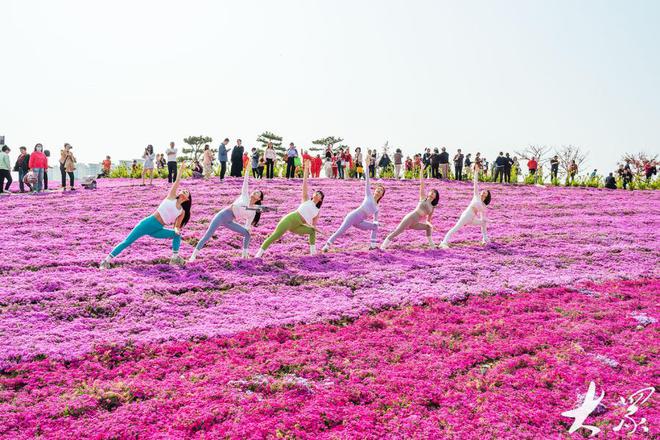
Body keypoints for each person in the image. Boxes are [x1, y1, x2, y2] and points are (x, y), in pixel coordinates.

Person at [100, 161, 191, 269]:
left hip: (158, 230)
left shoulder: (182, 212)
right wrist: (180, 171)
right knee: (127, 242)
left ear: (187, 198)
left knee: (177, 235)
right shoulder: (171, 196)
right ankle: (106, 261)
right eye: (183, 190)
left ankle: (175, 258)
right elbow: (177, 181)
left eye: (186, 191)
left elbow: (177, 225)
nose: (183, 190)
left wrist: (176, 229)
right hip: (148, 223)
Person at [190, 165, 265, 261]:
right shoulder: (245, 195)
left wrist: (248, 228)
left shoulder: (253, 212)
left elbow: (247, 225)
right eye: (255, 191)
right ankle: (193, 256)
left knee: (247, 234)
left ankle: (244, 255)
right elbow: (245, 182)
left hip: (230, 221)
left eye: (257, 193)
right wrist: (247, 170)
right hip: (222, 216)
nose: (255, 192)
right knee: (207, 236)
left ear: (259, 198)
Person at [256, 160, 323, 257]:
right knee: (275, 236)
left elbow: (313, 226)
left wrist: (317, 229)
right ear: (313, 195)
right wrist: (306, 169)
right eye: (316, 192)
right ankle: (259, 254)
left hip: (298, 226)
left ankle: (313, 254)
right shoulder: (306, 200)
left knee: (312, 232)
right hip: (290, 220)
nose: (317, 193)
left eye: (320, 194)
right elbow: (304, 185)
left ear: (321, 199)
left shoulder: (317, 211)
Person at [323, 168, 385, 251]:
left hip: (359, 222)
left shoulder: (377, 208)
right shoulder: (369, 195)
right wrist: (367, 165)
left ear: (382, 195)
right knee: (340, 231)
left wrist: (378, 224)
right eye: (378, 189)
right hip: (352, 216)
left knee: (375, 227)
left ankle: (372, 246)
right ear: (375, 191)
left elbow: (375, 221)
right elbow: (367, 181)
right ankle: (327, 245)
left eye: (381, 190)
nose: (378, 191)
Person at [380, 167, 439, 249]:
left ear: (436, 196)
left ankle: (432, 246)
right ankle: (383, 246)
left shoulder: (432, 207)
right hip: (411, 217)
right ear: (429, 193)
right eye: (431, 191)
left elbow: (428, 221)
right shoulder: (423, 198)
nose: (432, 193)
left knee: (428, 228)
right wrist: (421, 170)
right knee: (398, 231)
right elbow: (422, 184)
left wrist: (431, 225)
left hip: (415, 223)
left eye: (434, 193)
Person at [439, 164, 491, 248]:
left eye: (485, 192)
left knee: (483, 223)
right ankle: (444, 242)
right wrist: (476, 172)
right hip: (467, 215)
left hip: (472, 218)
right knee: (456, 228)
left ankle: (485, 239)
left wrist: (489, 220)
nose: (483, 192)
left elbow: (483, 217)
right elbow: (475, 183)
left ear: (487, 196)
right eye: (483, 191)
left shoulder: (484, 205)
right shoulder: (476, 195)